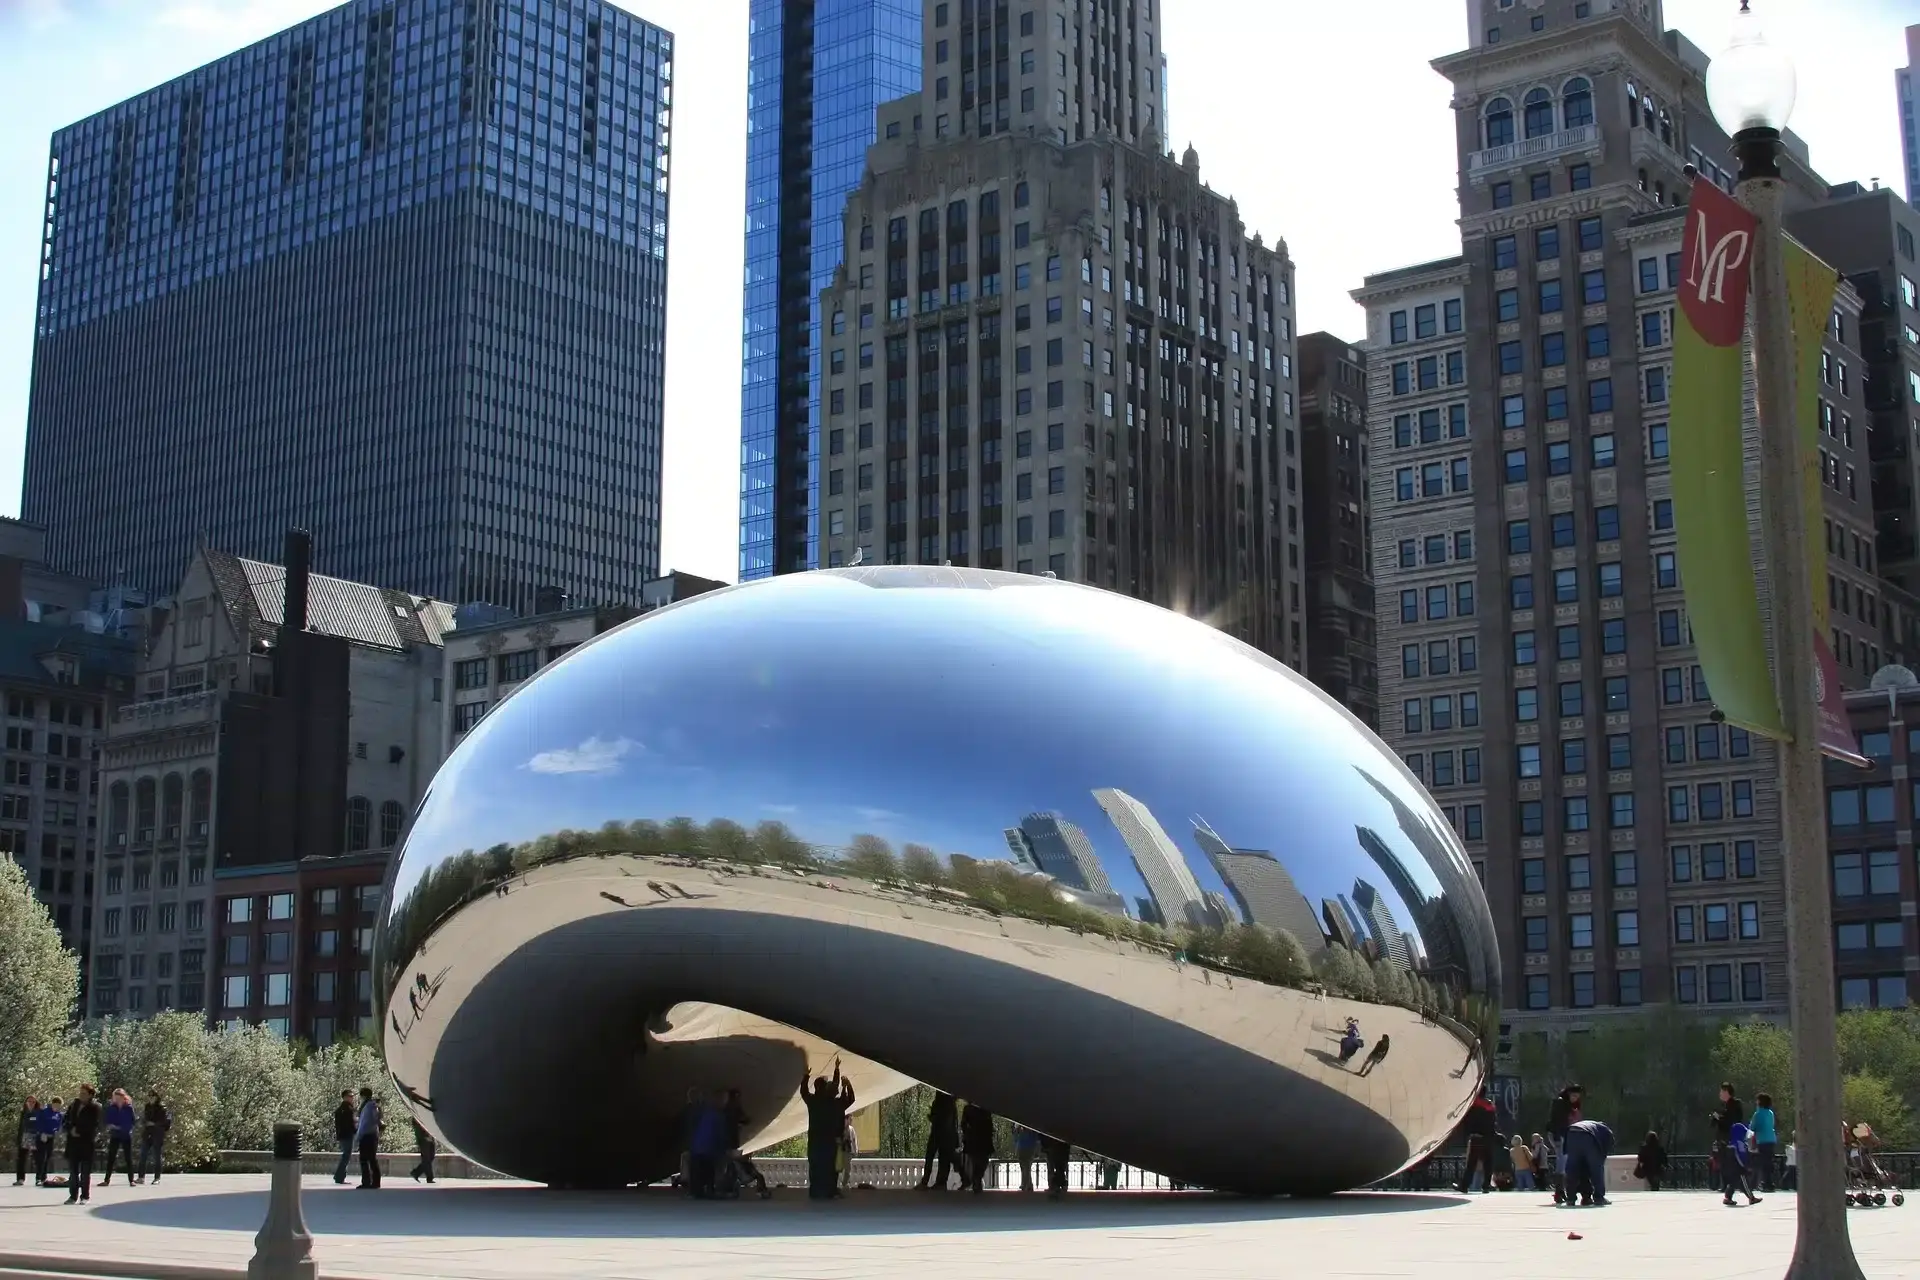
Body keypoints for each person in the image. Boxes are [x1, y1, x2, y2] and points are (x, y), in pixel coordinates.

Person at [801, 1062, 854, 1200]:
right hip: (832, 1141)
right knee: (831, 1168)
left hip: (815, 1141)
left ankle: (815, 1191)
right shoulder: (835, 1103)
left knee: (815, 1167)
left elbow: (804, 1091)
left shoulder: (813, 1101)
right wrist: (838, 1072)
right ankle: (831, 1191)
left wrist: (806, 1076)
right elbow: (844, 1093)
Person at [1710, 1083, 1758, 1206]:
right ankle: (1737, 1196)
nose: (1720, 1094)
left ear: (1727, 1092)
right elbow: (1716, 1125)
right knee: (1737, 1171)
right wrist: (1715, 1118)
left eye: (1721, 1091)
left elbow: (1733, 1122)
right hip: (1724, 1142)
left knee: (1738, 1170)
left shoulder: (1734, 1105)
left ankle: (1732, 1196)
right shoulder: (1723, 1106)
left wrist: (1720, 1118)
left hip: (1732, 1142)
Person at [721, 1089, 770, 1199]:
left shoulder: (726, 1110)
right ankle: (731, 1186)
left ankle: (729, 1186)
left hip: (729, 1143)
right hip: (731, 1143)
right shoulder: (734, 1109)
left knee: (732, 1165)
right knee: (734, 1164)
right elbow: (745, 1120)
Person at [62, 1083, 101, 1204]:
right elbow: (66, 1119)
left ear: (90, 1095)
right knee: (73, 1172)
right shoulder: (74, 1104)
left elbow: (94, 1124)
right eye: (80, 1093)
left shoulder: (96, 1107)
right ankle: (72, 1196)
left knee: (85, 1172)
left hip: (86, 1143)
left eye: (84, 1093)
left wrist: (78, 1131)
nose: (81, 1095)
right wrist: (70, 1129)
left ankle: (85, 1196)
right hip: (73, 1143)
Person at [1562, 1119, 1613, 1207]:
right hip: (1587, 1136)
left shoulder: (1595, 1126)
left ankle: (1570, 1198)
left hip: (1571, 1133)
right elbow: (1605, 1150)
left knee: (1572, 1169)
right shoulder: (1605, 1130)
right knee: (1596, 1169)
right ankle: (1599, 1197)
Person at [1546, 1083, 1583, 1204]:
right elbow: (1555, 1119)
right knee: (1561, 1161)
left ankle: (1562, 1190)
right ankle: (1558, 1191)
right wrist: (1557, 1136)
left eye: (1577, 1096)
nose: (1575, 1098)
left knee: (1564, 1161)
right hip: (1558, 1134)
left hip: (1566, 1135)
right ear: (1568, 1094)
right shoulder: (1560, 1102)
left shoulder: (1573, 1105)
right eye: (1573, 1095)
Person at [917, 1091, 959, 1191]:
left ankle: (929, 1182)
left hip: (939, 1133)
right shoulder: (950, 1103)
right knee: (944, 1159)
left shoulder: (942, 1101)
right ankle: (941, 1183)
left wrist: (933, 1117)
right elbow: (952, 1122)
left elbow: (941, 1118)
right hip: (946, 1135)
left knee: (932, 1156)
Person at [1455, 1093, 1496, 1193]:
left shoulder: (1473, 1104)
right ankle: (1486, 1186)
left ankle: (1464, 1186)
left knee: (1471, 1163)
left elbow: (1467, 1120)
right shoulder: (1490, 1105)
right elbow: (1493, 1122)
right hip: (1488, 1138)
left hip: (1476, 1136)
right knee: (1488, 1162)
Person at [100, 1088, 135, 1186]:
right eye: (115, 1097)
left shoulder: (128, 1108)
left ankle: (131, 1180)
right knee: (111, 1157)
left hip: (125, 1134)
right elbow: (108, 1120)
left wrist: (125, 1127)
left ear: (123, 1097)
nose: (117, 1099)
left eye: (119, 1097)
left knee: (128, 1157)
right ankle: (106, 1180)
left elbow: (132, 1121)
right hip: (115, 1134)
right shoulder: (112, 1108)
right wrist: (113, 1126)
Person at [960, 1100, 996, 1193]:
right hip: (983, 1140)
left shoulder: (968, 1109)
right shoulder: (985, 1108)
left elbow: (963, 1124)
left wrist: (967, 1134)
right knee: (982, 1161)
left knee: (976, 1161)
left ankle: (976, 1180)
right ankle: (977, 1179)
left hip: (973, 1140)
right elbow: (989, 1123)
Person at [137, 1088, 170, 1185]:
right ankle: (141, 1177)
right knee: (143, 1155)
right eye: (149, 1096)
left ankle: (157, 1178)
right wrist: (143, 1123)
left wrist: (154, 1124)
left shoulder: (162, 1108)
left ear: (157, 1097)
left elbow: (166, 1123)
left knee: (156, 1156)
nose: (151, 1098)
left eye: (153, 1096)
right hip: (147, 1133)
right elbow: (145, 1119)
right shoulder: (147, 1107)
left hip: (157, 1134)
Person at [354, 1086, 383, 1190]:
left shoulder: (368, 1106)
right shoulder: (371, 1105)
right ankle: (374, 1181)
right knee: (371, 1159)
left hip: (368, 1135)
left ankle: (368, 1182)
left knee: (366, 1159)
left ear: (363, 1095)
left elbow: (365, 1123)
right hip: (371, 1134)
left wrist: (358, 1136)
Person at [1751, 1092, 1778, 1192]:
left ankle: (1765, 1183)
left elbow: (1753, 1127)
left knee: (1763, 1163)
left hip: (1762, 1140)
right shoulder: (1770, 1113)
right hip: (1771, 1139)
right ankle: (1770, 1183)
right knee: (1769, 1161)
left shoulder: (1758, 1113)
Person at [35, 1097, 62, 1187]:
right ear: (53, 1103)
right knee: (41, 1157)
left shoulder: (58, 1114)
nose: (57, 1107)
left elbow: (58, 1125)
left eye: (59, 1106)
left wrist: (57, 1132)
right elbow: (38, 1122)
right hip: (42, 1137)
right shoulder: (44, 1111)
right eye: (56, 1105)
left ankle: (44, 1177)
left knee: (48, 1157)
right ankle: (38, 1177)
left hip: (51, 1137)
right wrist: (42, 1133)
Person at [332, 1090, 358, 1184]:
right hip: (347, 1135)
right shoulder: (348, 1109)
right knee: (346, 1156)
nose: (352, 1098)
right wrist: (357, 1132)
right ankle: (339, 1177)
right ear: (345, 1097)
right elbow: (350, 1124)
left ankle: (339, 1176)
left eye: (352, 1096)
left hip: (342, 1135)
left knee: (345, 1155)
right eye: (350, 1096)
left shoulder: (340, 1109)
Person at [1041, 1134, 1073, 1200]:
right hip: (1061, 1154)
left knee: (1058, 1170)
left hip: (1057, 1154)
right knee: (1060, 1170)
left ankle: (1057, 1187)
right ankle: (1061, 1186)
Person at [1012, 1124, 1041, 1192]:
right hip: (1025, 1147)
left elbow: (1016, 1136)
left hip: (1026, 1148)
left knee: (1026, 1167)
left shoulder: (1022, 1128)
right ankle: (1027, 1184)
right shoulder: (1022, 1128)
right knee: (1025, 1167)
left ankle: (1027, 1184)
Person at [410, 1118, 437, 1184]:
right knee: (426, 1159)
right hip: (424, 1140)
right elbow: (417, 1125)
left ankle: (416, 1172)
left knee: (431, 1157)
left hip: (431, 1138)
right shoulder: (417, 1116)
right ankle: (429, 1178)